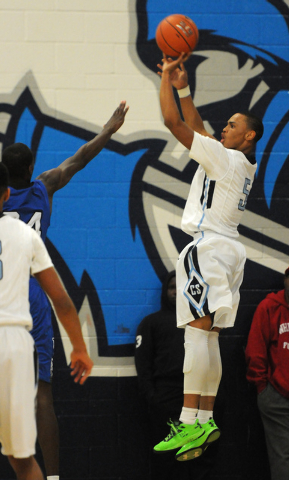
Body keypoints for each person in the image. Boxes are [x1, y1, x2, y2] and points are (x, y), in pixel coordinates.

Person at [1, 101, 129, 480]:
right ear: (28, 168)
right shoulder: (45, 187)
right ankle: (53, 476)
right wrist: (108, 130)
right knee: (43, 394)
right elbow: (80, 158)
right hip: (36, 297)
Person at [153, 53, 264, 462]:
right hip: (232, 249)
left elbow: (175, 125)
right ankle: (203, 420)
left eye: (233, 125)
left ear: (249, 136)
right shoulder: (239, 162)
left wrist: (165, 77)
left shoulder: (226, 158)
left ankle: (189, 420)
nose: (224, 127)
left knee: (196, 335)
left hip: (209, 246)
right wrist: (183, 87)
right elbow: (198, 127)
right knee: (210, 336)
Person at [0, 159, 93, 480]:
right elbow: (63, 301)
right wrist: (79, 348)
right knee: (22, 458)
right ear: (6, 194)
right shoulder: (26, 236)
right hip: (15, 345)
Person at [135, 271, 220, 479]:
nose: (175, 292)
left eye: (179, 287)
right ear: (165, 291)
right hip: (166, 398)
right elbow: (143, 366)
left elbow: (213, 361)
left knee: (201, 458)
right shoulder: (151, 323)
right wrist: (153, 398)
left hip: (199, 398)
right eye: (171, 287)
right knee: (168, 460)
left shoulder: (202, 323)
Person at [245, 268, 289, 480]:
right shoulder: (269, 308)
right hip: (277, 397)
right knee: (282, 458)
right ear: (286, 281)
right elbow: (255, 351)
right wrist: (263, 388)